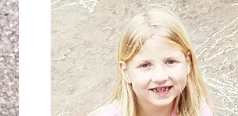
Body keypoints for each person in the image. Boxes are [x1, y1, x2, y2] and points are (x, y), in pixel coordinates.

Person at [85, 7, 215, 116]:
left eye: (170, 62)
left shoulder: (198, 111)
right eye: (145, 65)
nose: (160, 77)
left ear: (188, 63)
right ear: (125, 71)